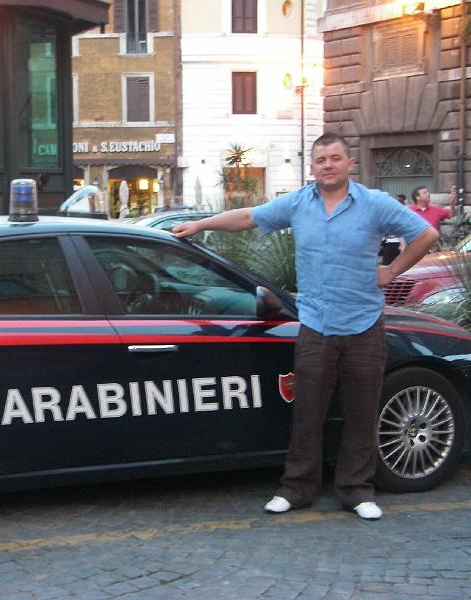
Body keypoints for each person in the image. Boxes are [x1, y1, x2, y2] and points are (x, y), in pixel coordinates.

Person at [173, 132, 437, 520]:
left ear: (349, 164)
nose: (327, 165)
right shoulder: (299, 203)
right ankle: (297, 488)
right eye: (320, 159)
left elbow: (426, 234)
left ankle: (357, 490)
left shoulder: (375, 204)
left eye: (334, 158)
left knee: (362, 412)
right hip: (315, 325)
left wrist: (392, 270)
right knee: (307, 412)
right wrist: (200, 226)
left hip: (364, 325)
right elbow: (248, 217)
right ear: (312, 166)